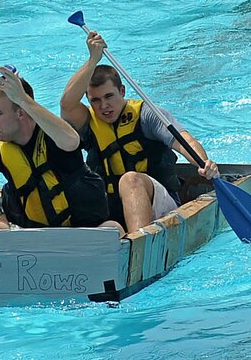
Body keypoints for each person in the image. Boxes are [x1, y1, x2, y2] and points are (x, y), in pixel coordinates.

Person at [60, 28, 218, 236]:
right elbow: (67, 104)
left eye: (109, 96)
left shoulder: (147, 115)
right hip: (113, 210)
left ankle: (139, 247)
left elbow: (184, 141)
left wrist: (203, 163)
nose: (104, 106)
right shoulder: (90, 122)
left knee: (130, 180)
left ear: (122, 91)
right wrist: (93, 60)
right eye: (95, 100)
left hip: (160, 204)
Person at [0, 67, 112, 231]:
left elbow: (71, 142)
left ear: (21, 112)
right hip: (31, 237)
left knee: (113, 228)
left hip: (84, 233)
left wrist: (21, 97)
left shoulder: (54, 133)